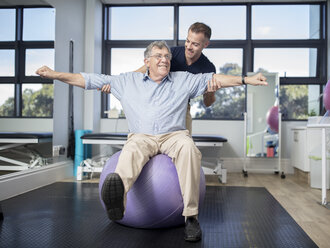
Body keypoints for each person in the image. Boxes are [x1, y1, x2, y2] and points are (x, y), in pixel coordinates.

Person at [36, 41, 267, 242]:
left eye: (167, 56)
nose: (165, 59)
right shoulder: (127, 81)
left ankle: (191, 218)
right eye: (159, 56)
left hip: (174, 135)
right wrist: (55, 74)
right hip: (141, 135)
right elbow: (87, 79)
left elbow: (215, 79)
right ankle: (118, 201)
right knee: (130, 152)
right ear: (146, 61)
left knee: (189, 149)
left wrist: (247, 79)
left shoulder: (183, 79)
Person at [100, 22, 217, 134]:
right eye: (187, 41)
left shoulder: (208, 68)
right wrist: (114, 82)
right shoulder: (170, 54)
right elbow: (140, 71)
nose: (189, 47)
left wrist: (210, 93)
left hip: (180, 108)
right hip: (154, 100)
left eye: (195, 44)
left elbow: (207, 102)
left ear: (205, 44)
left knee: (184, 142)